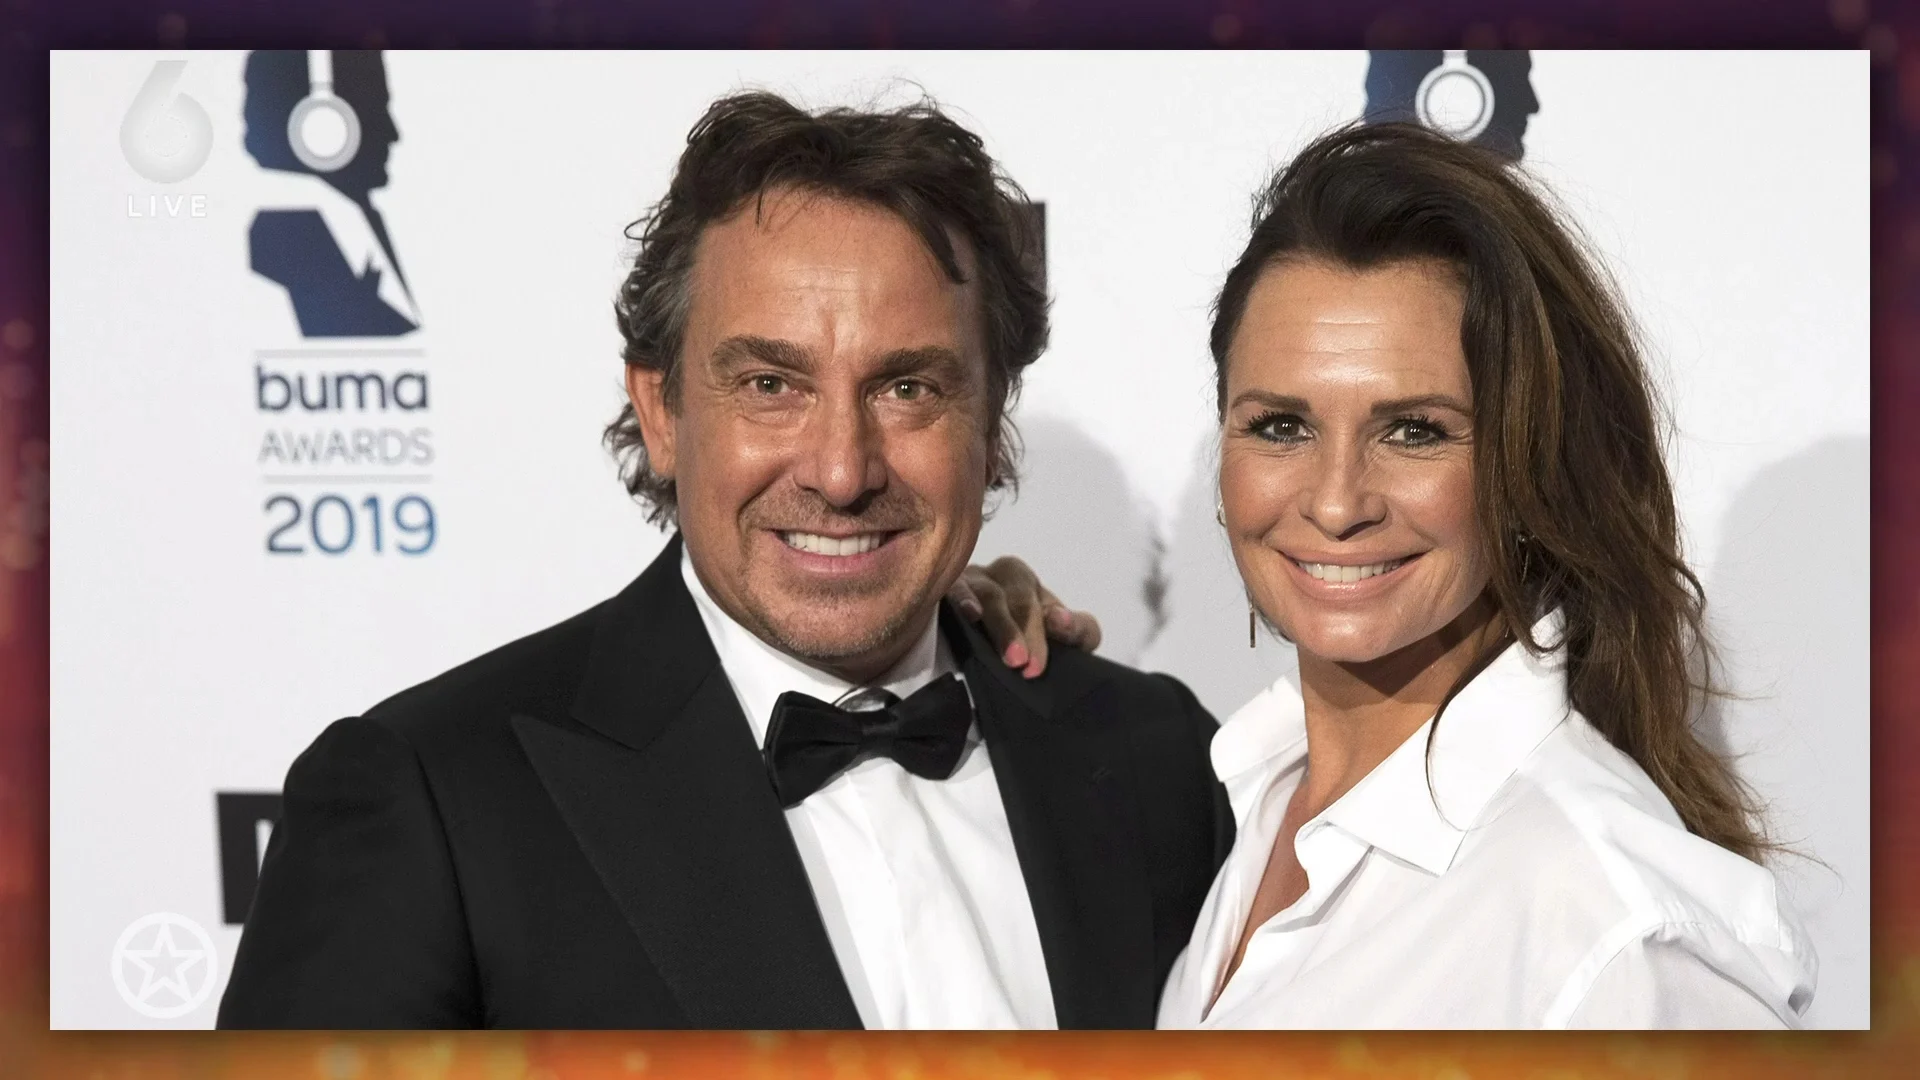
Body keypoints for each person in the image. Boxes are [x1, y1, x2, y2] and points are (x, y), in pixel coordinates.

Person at [218, 91, 1231, 1030]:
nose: (841, 471)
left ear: (988, 418)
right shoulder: (432, 801)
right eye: (770, 385)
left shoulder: (1161, 761)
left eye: (909, 389)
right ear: (662, 413)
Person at [958, 121, 1815, 1028]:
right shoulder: (1250, 795)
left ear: (1529, 468)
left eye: (1414, 431)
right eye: (1282, 426)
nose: (1336, 503)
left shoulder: (1615, 938)